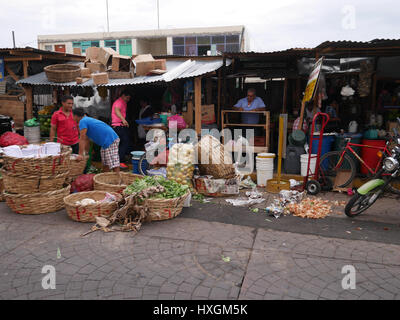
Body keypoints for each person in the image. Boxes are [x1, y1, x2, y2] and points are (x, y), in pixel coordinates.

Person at [73, 108, 120, 173]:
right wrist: (86, 152)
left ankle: (118, 180)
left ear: (75, 116)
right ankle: (106, 179)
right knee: (106, 163)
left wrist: (80, 155)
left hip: (110, 139)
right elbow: (86, 139)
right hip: (107, 141)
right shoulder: (86, 120)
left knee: (113, 163)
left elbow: (82, 139)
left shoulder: (82, 121)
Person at [111, 90, 131, 168]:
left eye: (129, 98)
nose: (128, 100)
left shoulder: (123, 102)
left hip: (120, 125)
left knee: (122, 143)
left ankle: (118, 161)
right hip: (118, 126)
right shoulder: (119, 102)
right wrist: (123, 119)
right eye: (127, 97)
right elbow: (117, 110)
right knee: (124, 143)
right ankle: (120, 161)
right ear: (122, 95)